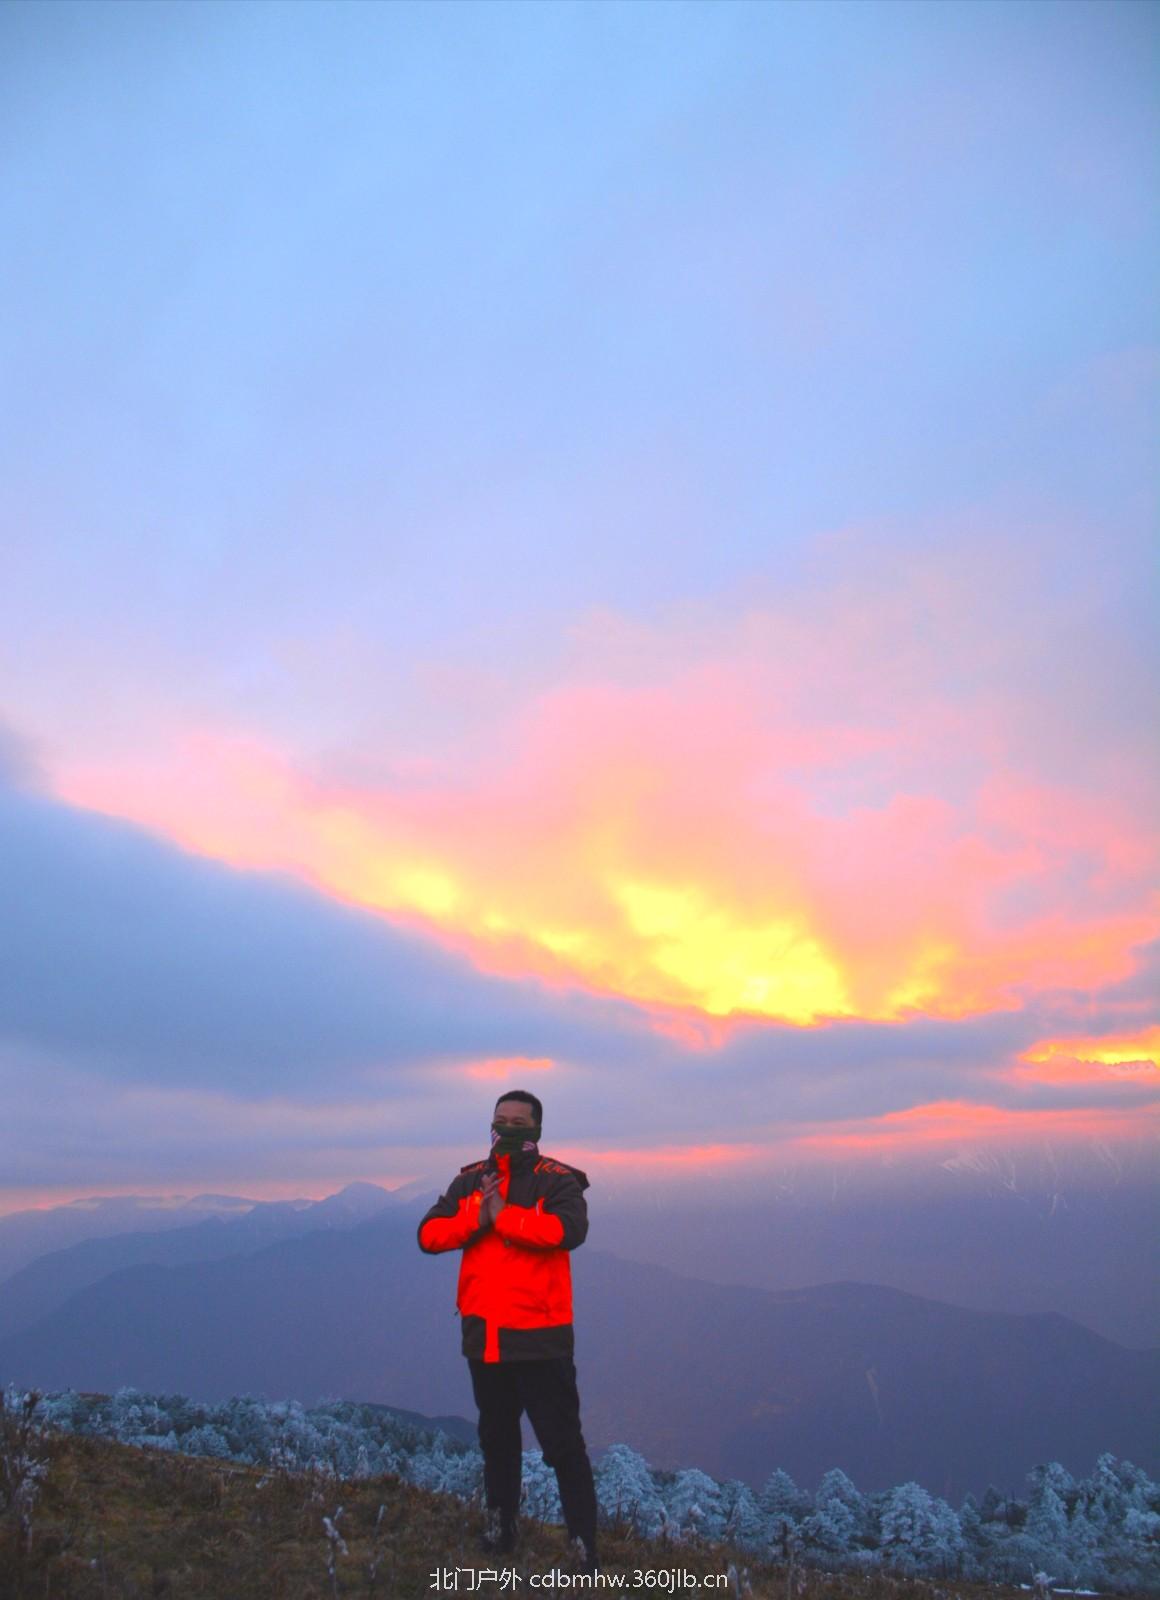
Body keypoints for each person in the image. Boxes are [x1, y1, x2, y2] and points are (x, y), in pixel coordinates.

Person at [417, 1089, 599, 1573]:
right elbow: (428, 1235)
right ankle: (500, 1535)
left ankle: (584, 1552)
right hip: (485, 1338)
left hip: (540, 1338)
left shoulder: (557, 1180)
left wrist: (505, 1217)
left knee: (563, 1447)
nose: (508, 1129)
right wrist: (479, 1216)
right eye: (501, 1120)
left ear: (537, 1128)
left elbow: (568, 1231)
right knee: (497, 1441)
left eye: (519, 1122)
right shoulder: (470, 1181)